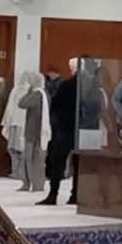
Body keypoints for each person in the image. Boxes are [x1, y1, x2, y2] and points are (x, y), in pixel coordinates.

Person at [39, 59, 78, 205]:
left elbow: (55, 104)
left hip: (65, 128)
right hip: (83, 129)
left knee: (58, 162)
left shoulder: (67, 85)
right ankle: (75, 194)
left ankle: (53, 194)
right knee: (79, 164)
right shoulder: (91, 87)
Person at [6, 71, 49, 193]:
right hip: (34, 131)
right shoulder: (42, 94)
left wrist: (28, 91)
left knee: (33, 160)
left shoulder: (37, 95)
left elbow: (22, 103)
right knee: (31, 159)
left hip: (35, 133)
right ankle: (29, 183)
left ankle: (34, 184)